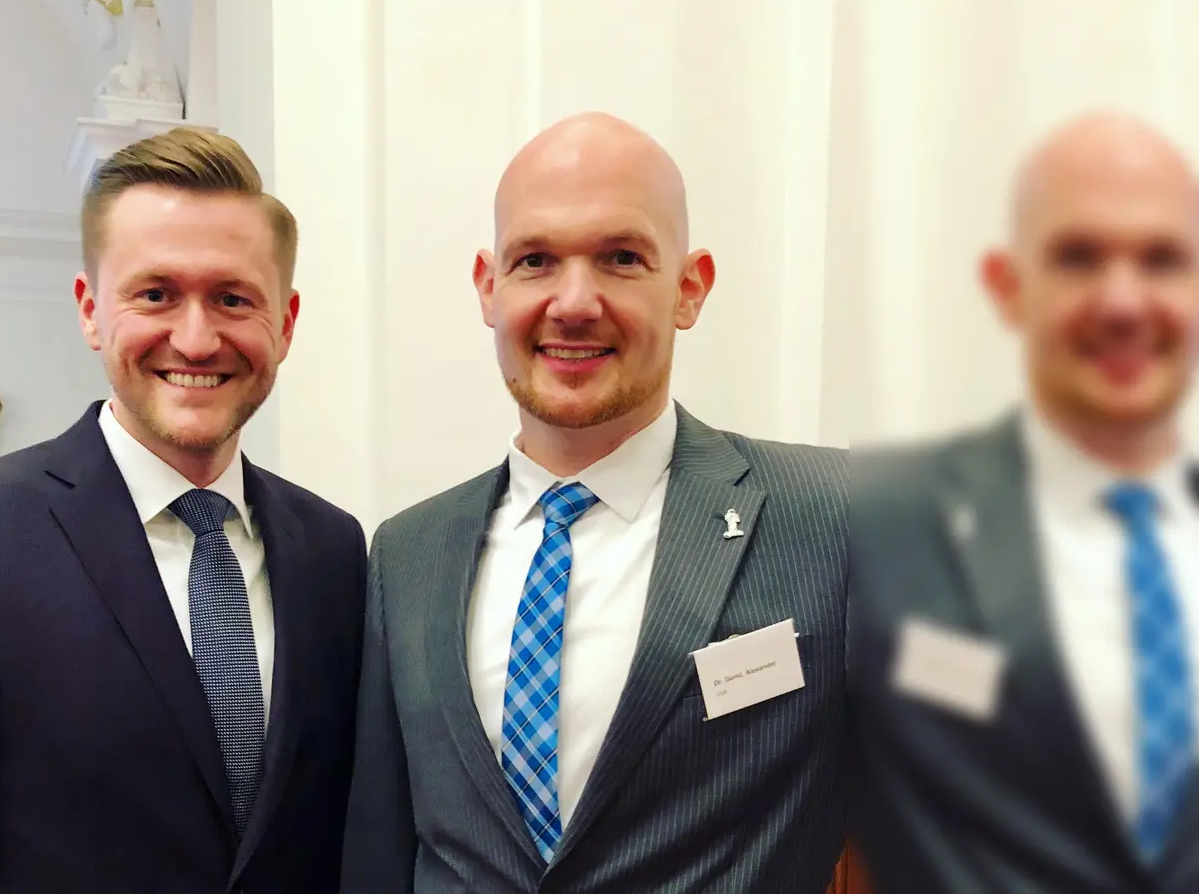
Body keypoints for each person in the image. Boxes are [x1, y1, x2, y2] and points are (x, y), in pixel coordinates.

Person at [342, 112, 849, 893]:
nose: (574, 303)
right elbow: (378, 855)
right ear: (489, 286)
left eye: (621, 258)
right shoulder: (403, 555)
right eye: (536, 260)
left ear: (689, 287)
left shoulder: (835, 517)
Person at [0, 129, 367, 892]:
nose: (197, 338)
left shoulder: (335, 550)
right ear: (90, 310)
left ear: (287, 322)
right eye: (156, 294)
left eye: (234, 299)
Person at [847, 112, 1199, 891]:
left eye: (1162, 260)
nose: (1122, 302)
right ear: (1008, 289)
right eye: (1078, 257)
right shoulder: (876, 527)